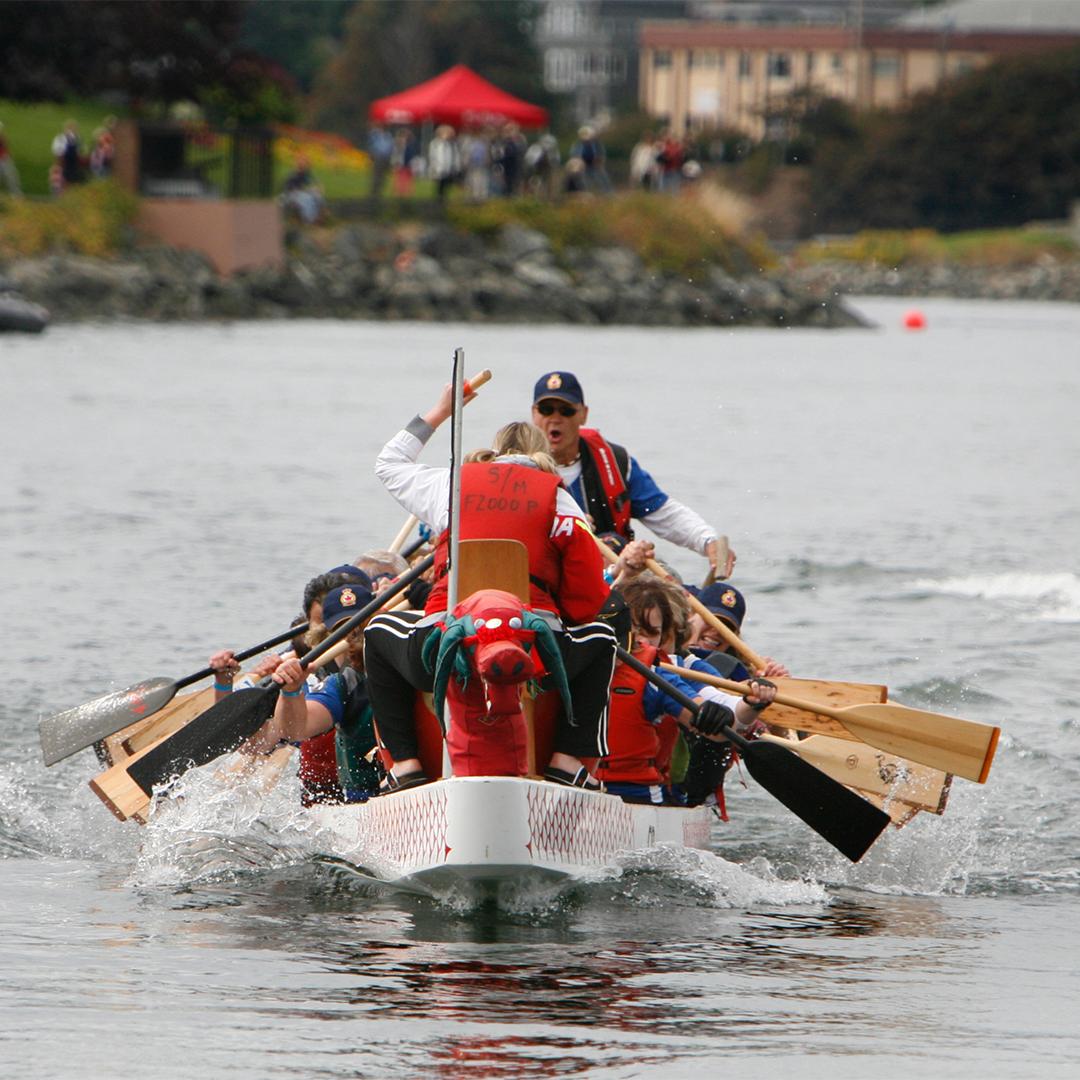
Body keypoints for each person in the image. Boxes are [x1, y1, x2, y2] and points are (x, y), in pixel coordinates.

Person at [365, 384, 617, 792]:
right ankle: (568, 764)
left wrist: (441, 410)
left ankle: (406, 766)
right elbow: (586, 599)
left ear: (495, 452)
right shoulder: (562, 501)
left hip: (445, 645)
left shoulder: (451, 485)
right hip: (535, 651)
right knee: (602, 637)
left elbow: (389, 462)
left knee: (377, 634)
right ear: (544, 457)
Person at [530, 370, 735, 578]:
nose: (555, 419)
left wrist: (708, 541)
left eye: (566, 411)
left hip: (614, 580)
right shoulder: (517, 469)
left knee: (671, 579)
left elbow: (664, 514)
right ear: (533, 415)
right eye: (546, 410)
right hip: (546, 576)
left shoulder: (617, 463)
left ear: (583, 414)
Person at [602, 574, 776, 807]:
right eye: (634, 630)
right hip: (587, 786)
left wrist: (752, 704)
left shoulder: (669, 673)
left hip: (642, 792)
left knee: (713, 736)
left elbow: (726, 711)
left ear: (666, 634)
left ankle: (696, 799)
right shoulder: (581, 657)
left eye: (651, 633)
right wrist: (623, 568)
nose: (640, 641)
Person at [242, 583, 382, 804]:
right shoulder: (342, 684)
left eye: (361, 627)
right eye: (344, 630)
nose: (355, 637)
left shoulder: (405, 659)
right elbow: (294, 730)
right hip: (362, 800)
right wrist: (291, 691)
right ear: (327, 638)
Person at [280, 155, 326, 224]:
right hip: (290, 194)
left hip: (300, 193)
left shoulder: (306, 173)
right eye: (304, 164)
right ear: (298, 165)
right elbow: (291, 190)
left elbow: (314, 182)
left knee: (317, 195)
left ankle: (319, 216)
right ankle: (310, 220)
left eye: (307, 164)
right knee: (307, 198)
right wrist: (310, 190)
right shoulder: (293, 174)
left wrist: (318, 187)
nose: (306, 166)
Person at [428, 125, 461, 201]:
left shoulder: (452, 144)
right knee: (440, 187)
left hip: (449, 169)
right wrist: (435, 168)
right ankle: (439, 200)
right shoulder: (435, 144)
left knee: (448, 187)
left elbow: (455, 156)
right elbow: (433, 157)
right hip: (439, 169)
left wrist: (457, 167)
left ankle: (444, 200)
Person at [0, 122, 22, 196]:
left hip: (4, 159)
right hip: (4, 160)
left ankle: (16, 196)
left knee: (12, 178)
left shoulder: (3, 138)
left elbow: (5, 149)